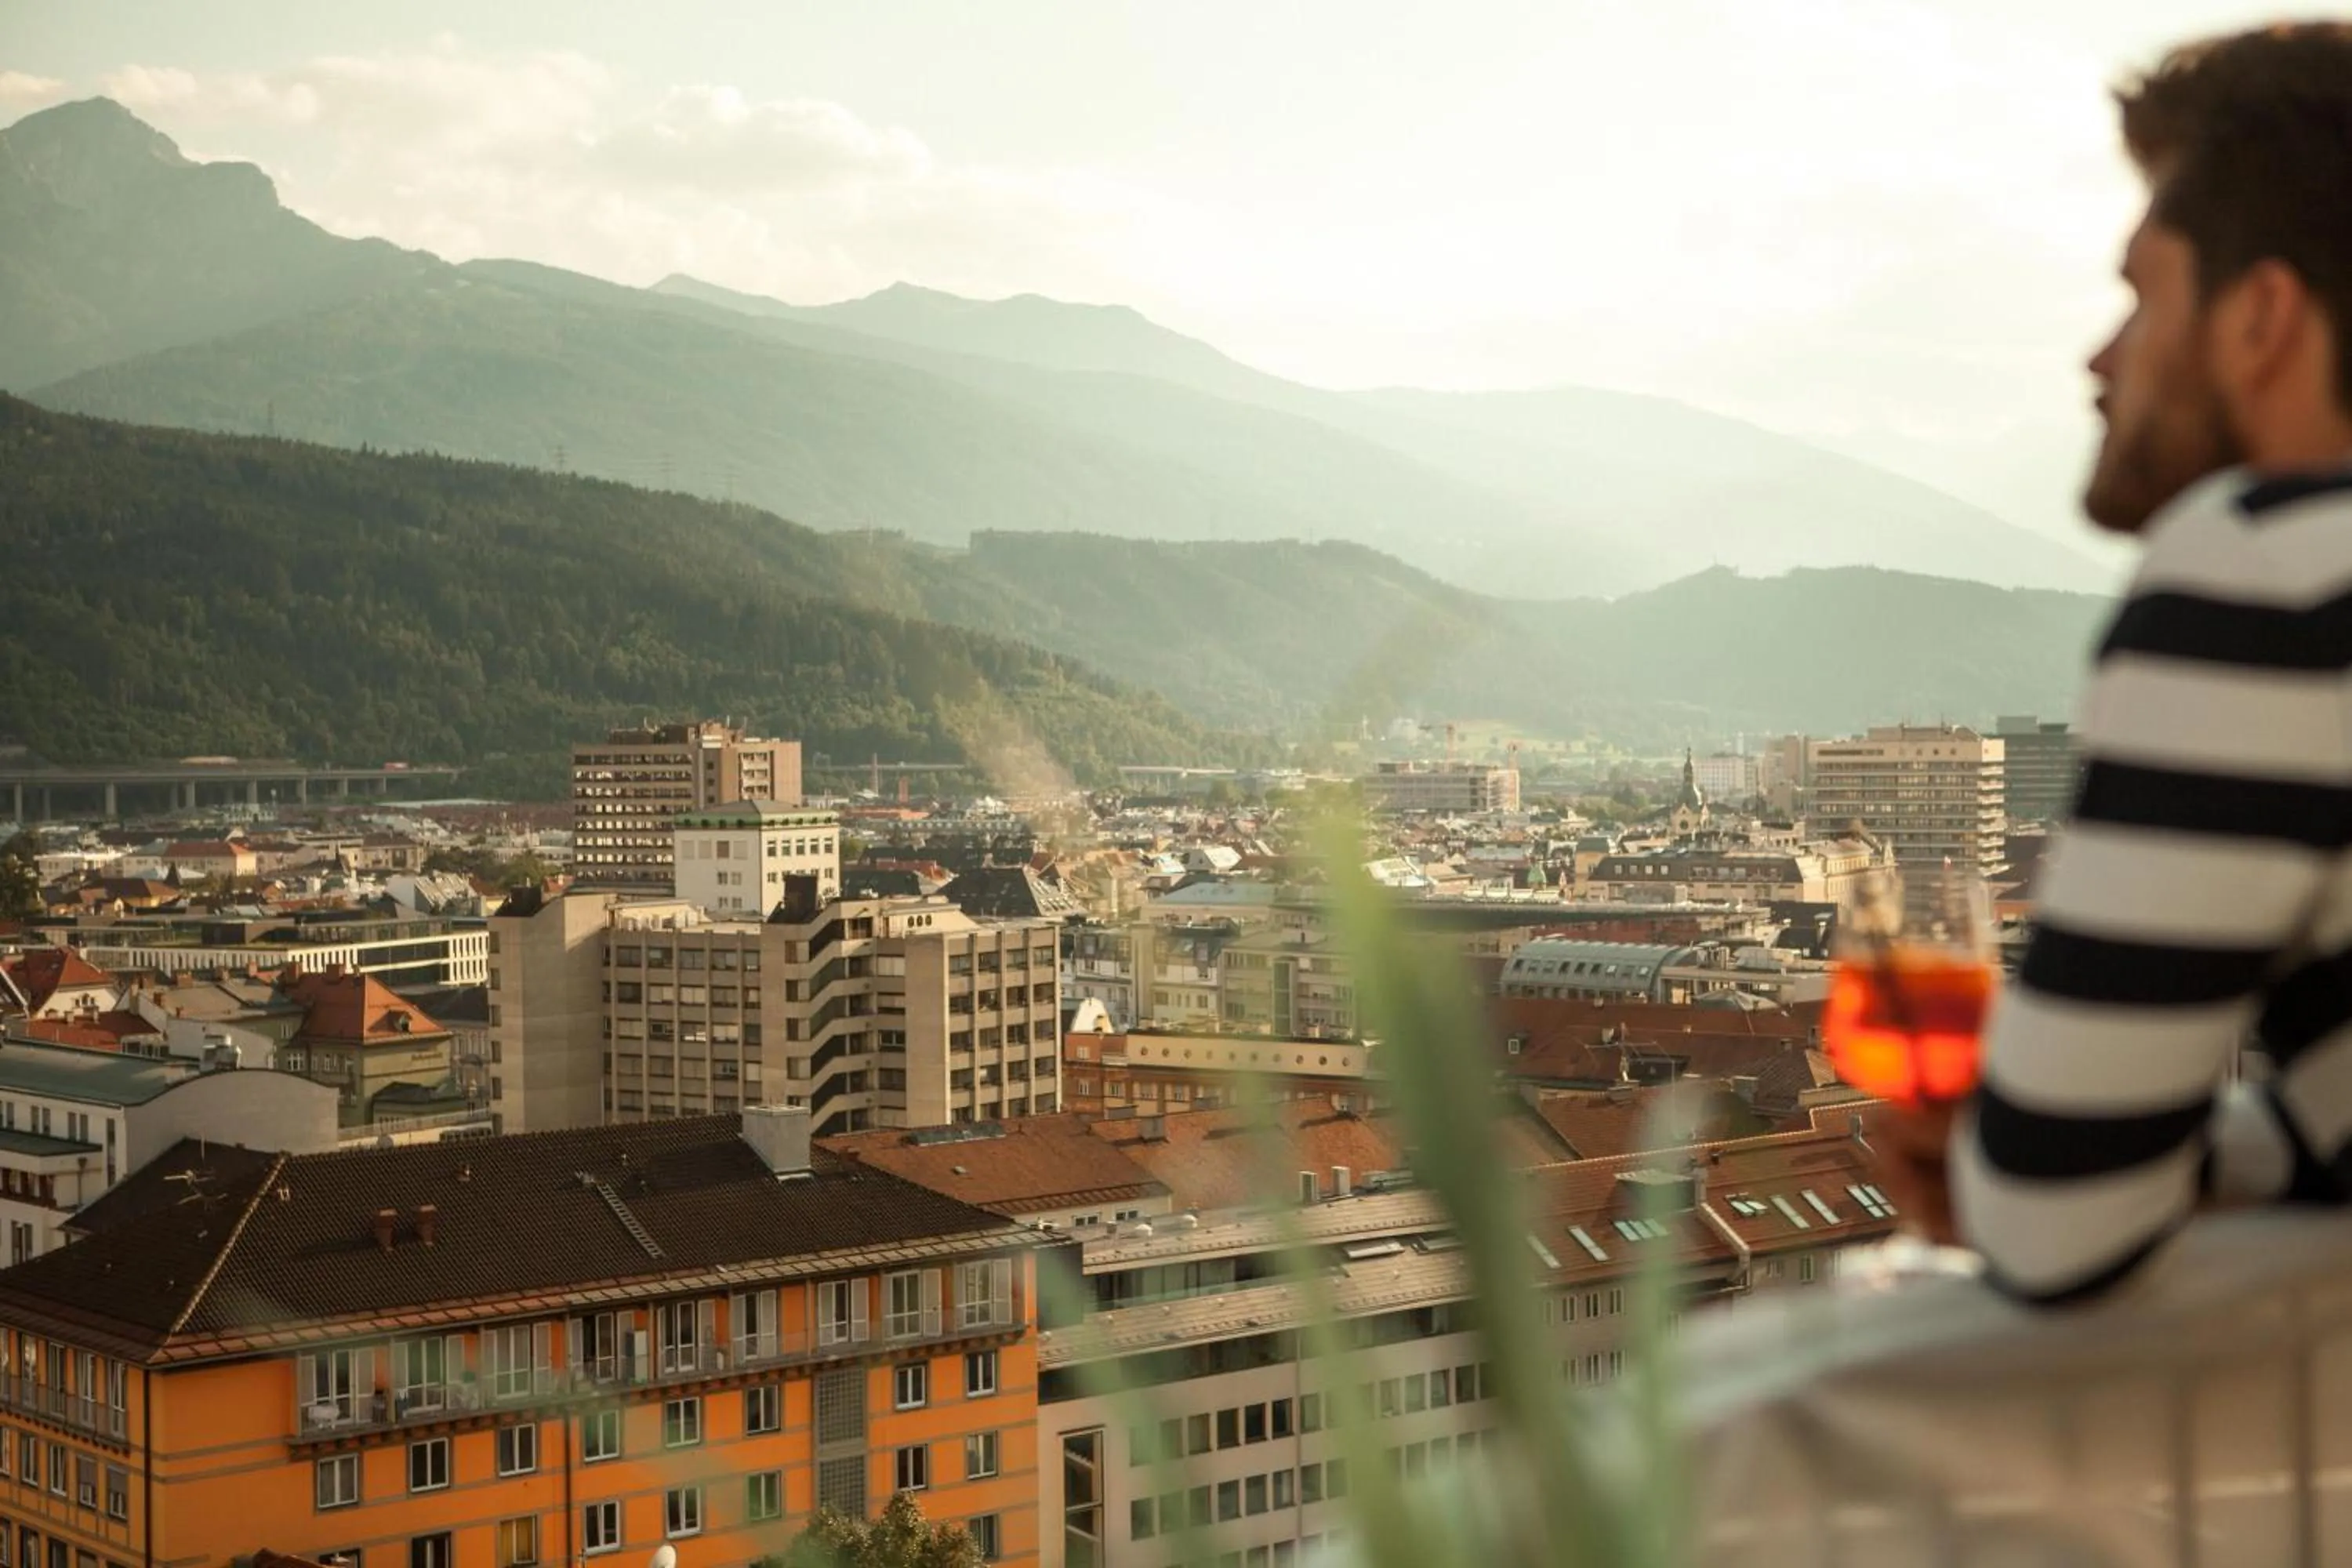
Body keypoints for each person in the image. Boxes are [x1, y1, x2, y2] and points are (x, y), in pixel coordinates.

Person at [1896, 23, 2352, 1304]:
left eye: (2145, 294)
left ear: (2262, 315)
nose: (2101, 359)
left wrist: (2000, 1168)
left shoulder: (2270, 575)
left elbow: (2055, 1231)